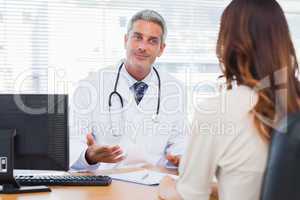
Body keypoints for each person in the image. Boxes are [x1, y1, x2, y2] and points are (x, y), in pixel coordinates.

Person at [158, 0, 300, 200]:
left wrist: (166, 185)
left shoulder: (217, 110)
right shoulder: (294, 103)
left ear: (230, 44)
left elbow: (189, 196)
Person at [70, 9, 187, 171]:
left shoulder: (175, 89)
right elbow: (73, 142)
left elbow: (179, 141)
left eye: (152, 41)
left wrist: (181, 158)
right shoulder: (90, 85)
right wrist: (89, 155)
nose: (142, 47)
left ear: (161, 49)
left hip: (153, 183)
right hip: (105, 185)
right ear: (126, 40)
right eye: (137, 37)